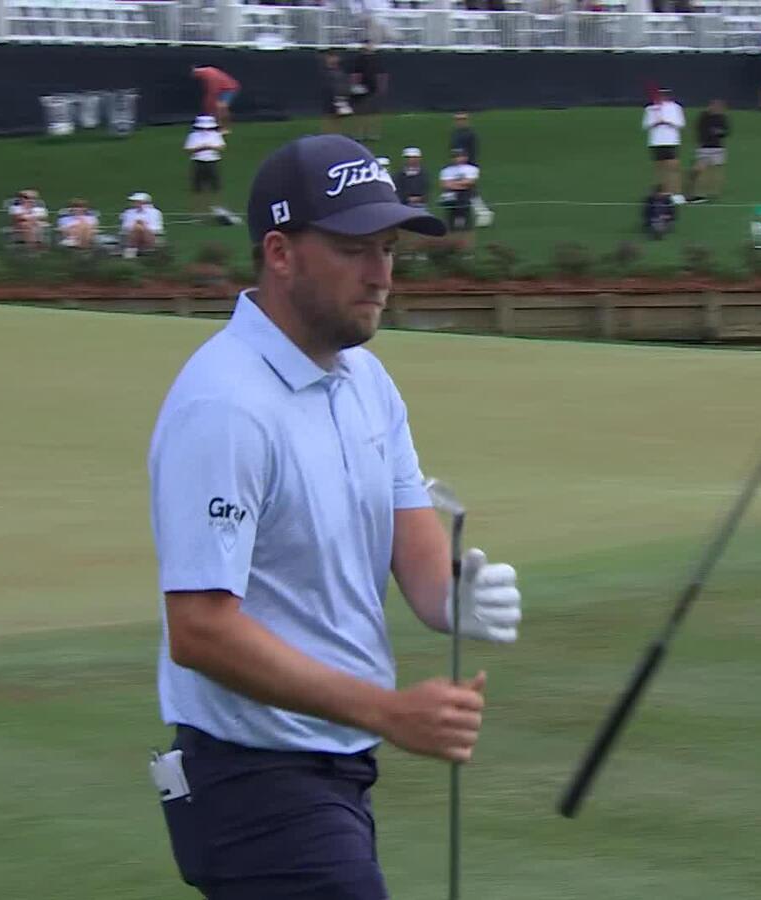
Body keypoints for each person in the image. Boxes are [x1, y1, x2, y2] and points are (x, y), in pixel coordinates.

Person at [147, 132, 522, 900]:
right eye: (357, 249)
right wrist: (388, 711)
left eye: (389, 249)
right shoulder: (225, 405)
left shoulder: (366, 379)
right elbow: (200, 628)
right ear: (281, 254)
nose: (382, 274)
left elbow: (409, 530)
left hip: (334, 772)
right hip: (251, 781)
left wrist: (453, 594)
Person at [642, 87, 685, 204]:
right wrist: (656, 122)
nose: (663, 97)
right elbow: (645, 125)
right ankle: (664, 193)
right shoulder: (650, 109)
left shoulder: (676, 108)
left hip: (671, 142)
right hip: (656, 142)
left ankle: (677, 194)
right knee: (660, 170)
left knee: (674, 168)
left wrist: (667, 122)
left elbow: (681, 123)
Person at [185, 115, 230, 221]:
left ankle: (218, 210)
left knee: (216, 187)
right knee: (197, 188)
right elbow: (188, 149)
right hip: (198, 162)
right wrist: (201, 148)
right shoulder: (193, 136)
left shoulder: (216, 135)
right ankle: (198, 213)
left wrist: (210, 147)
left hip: (212, 162)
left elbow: (222, 147)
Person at [688, 98, 729, 204]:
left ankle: (714, 191)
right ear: (711, 106)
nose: (718, 109)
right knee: (700, 170)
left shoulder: (722, 118)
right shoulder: (703, 116)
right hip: (705, 147)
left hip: (718, 148)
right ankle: (700, 192)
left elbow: (726, 131)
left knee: (716, 171)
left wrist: (718, 132)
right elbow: (699, 130)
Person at [347, 40, 387, 144]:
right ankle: (358, 134)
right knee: (360, 112)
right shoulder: (359, 59)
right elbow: (355, 74)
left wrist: (381, 87)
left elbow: (382, 74)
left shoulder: (376, 59)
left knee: (373, 113)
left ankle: (373, 133)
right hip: (361, 89)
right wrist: (354, 86)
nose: (369, 47)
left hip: (373, 89)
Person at [437, 147, 479, 235]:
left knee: (465, 215)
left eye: (460, 156)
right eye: (455, 157)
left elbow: (470, 182)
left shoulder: (471, 169)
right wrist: (462, 184)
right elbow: (445, 184)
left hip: (465, 196)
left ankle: (466, 236)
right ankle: (450, 236)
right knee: (450, 217)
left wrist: (453, 184)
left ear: (465, 157)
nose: (458, 159)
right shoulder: (446, 170)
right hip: (451, 196)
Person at [190, 65, 239, 134]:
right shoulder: (205, 73)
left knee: (221, 107)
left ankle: (224, 128)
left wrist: (208, 103)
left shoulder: (210, 75)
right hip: (223, 88)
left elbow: (212, 91)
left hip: (229, 88)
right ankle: (217, 127)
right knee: (217, 107)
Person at [120, 191, 164, 258]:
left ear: (143, 202)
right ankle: (132, 251)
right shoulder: (128, 212)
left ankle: (131, 254)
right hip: (132, 234)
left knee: (139, 227)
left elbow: (157, 228)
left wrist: (143, 227)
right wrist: (137, 226)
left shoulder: (155, 212)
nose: (134, 203)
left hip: (149, 235)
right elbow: (125, 227)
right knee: (137, 228)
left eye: (137, 201)